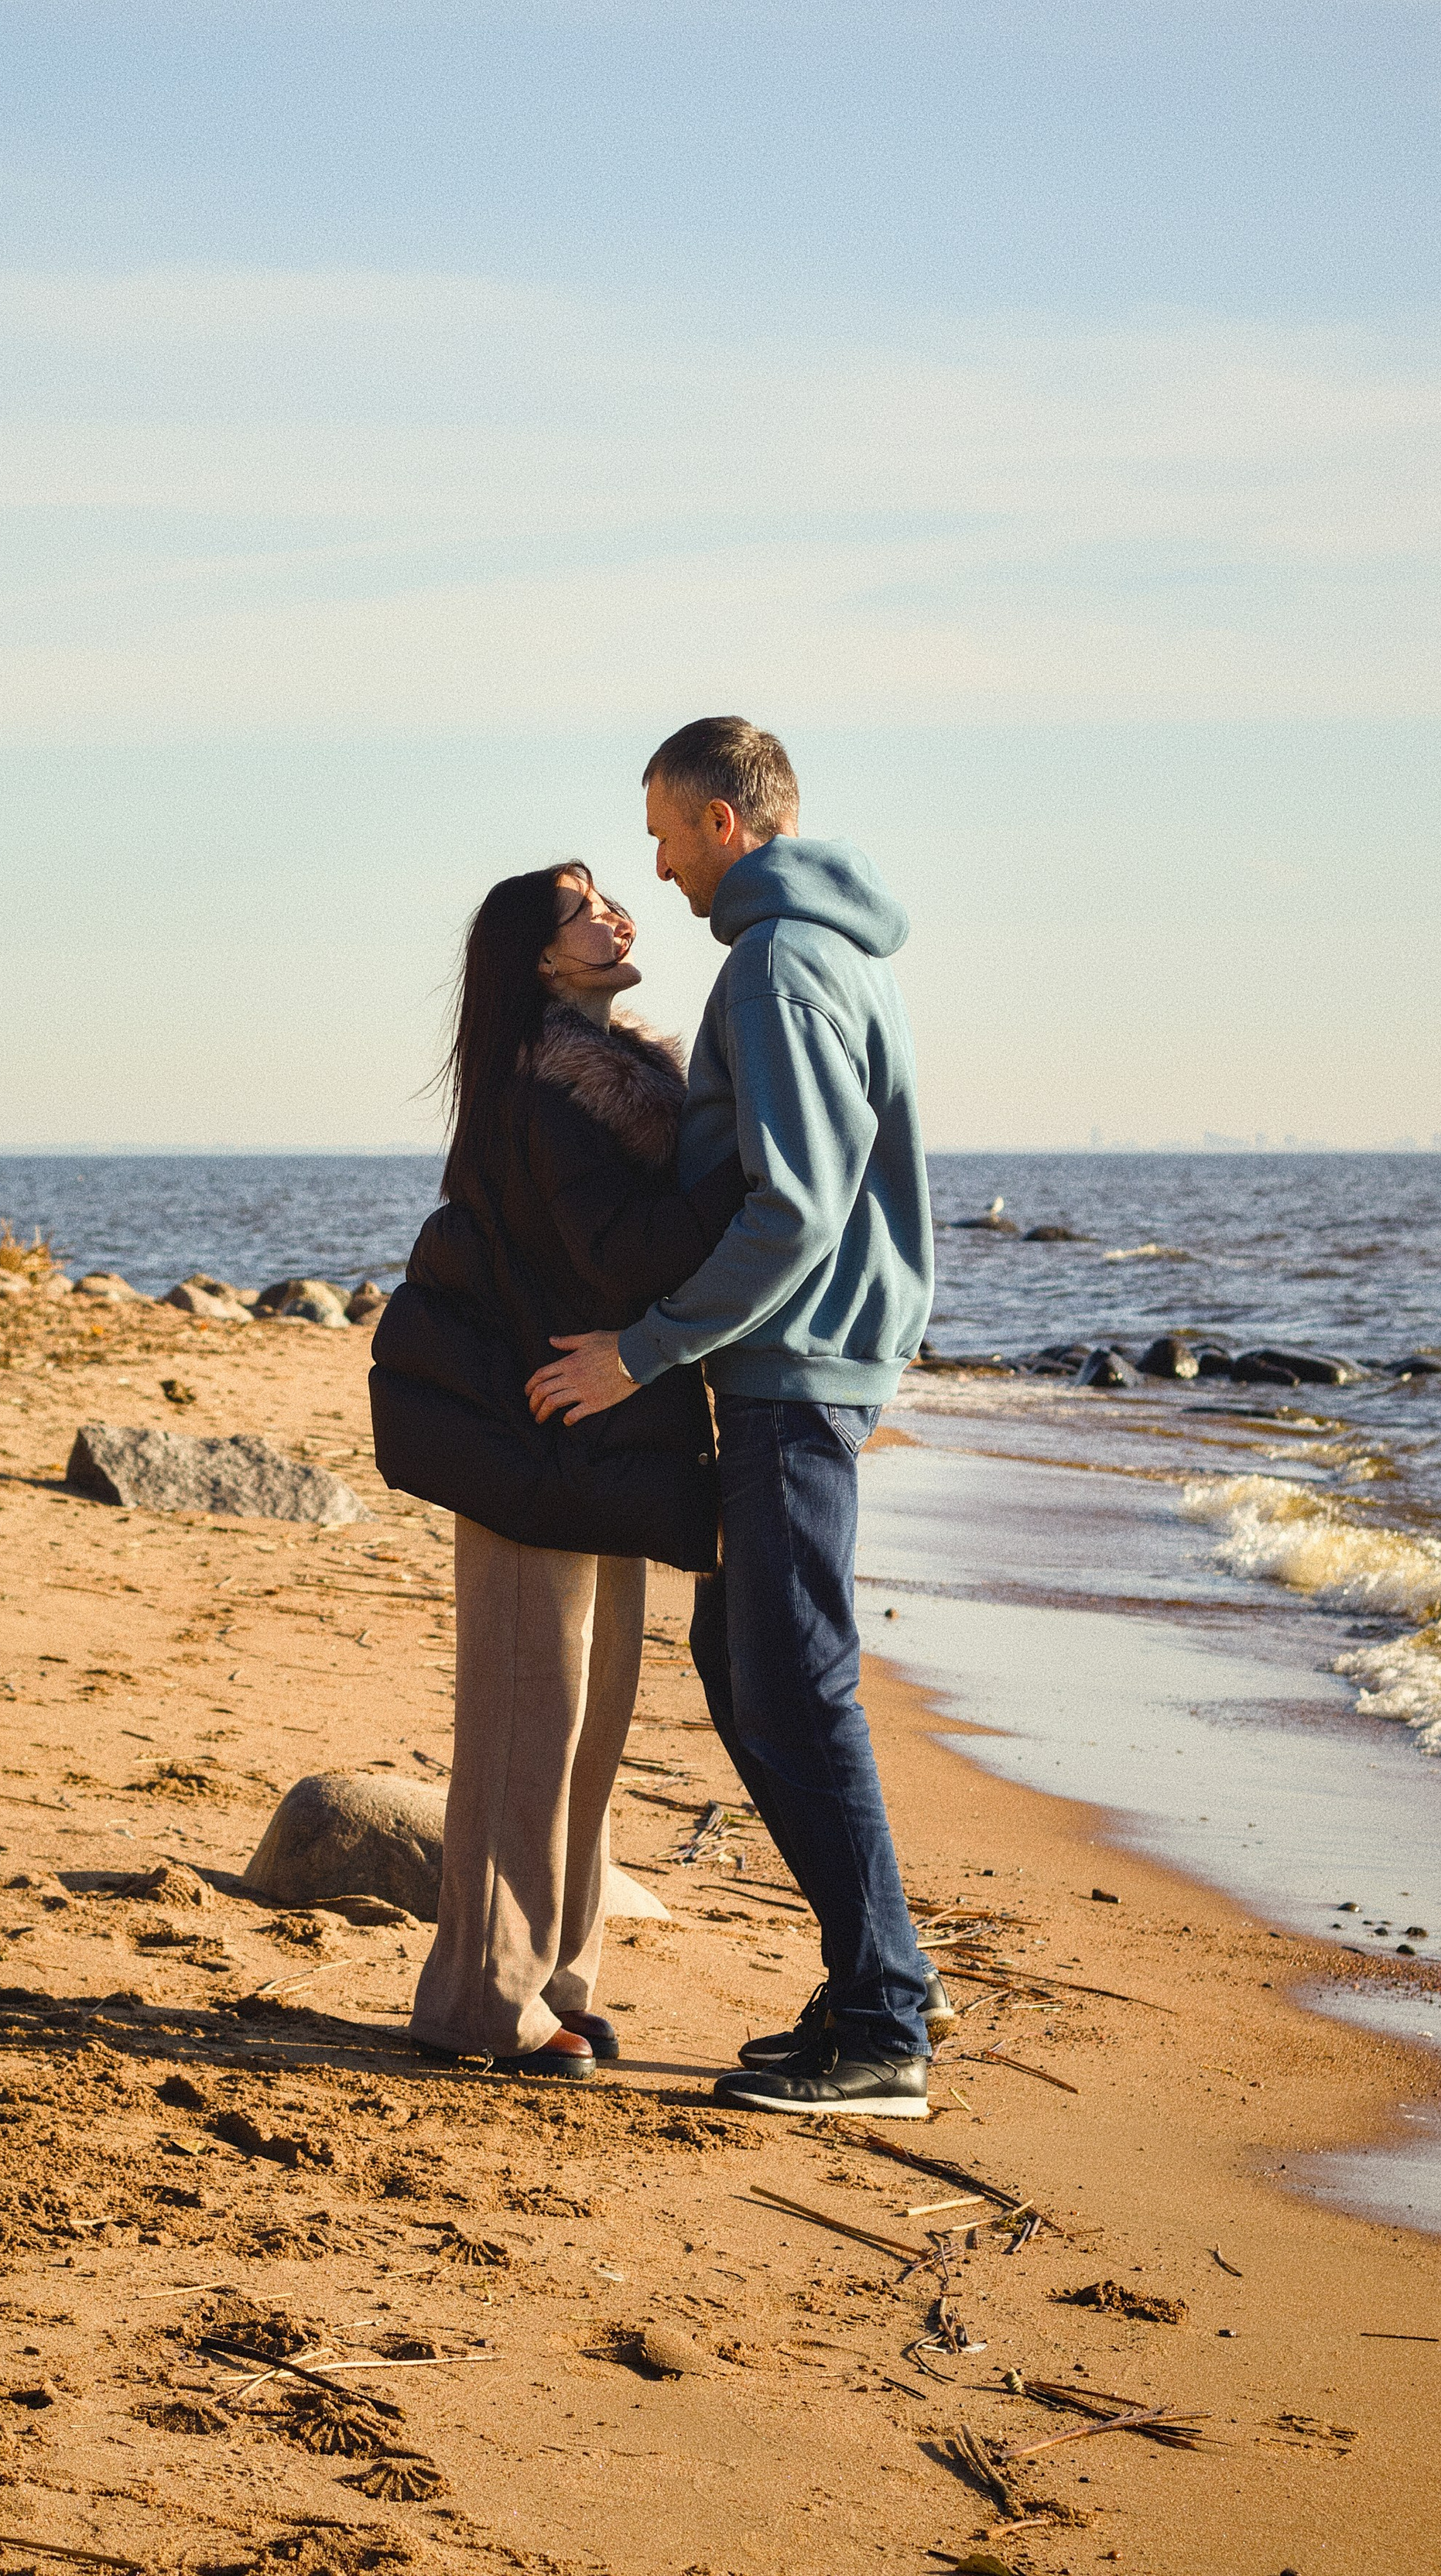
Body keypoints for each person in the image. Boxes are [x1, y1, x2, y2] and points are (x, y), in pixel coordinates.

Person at [526, 718, 940, 2119]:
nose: (654, 862)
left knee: (794, 1677)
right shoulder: (809, 955)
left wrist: (642, 1352)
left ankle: (886, 2019)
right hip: (791, 1372)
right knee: (747, 1659)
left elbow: (797, 1209)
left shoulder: (776, 968)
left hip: (794, 1374)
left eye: (661, 830)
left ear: (724, 822)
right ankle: (872, 1982)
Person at [369, 861, 746, 2080]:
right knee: (531, 1728)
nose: (617, 914)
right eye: (584, 908)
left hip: (596, 1447)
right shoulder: (551, 1094)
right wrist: (749, 1194)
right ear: (538, 960)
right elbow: (618, 1253)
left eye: (612, 899)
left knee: (588, 1730)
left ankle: (557, 1979)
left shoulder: (615, 1085)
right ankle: (482, 1998)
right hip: (536, 1446)